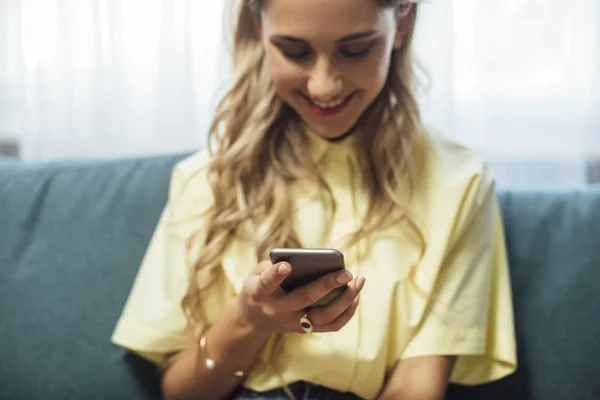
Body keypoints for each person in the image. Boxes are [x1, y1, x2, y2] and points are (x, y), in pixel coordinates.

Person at [111, 0, 517, 399]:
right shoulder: (205, 180)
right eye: (295, 51)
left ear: (403, 24)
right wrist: (249, 319)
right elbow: (180, 393)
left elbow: (417, 385)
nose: (324, 85)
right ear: (259, 31)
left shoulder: (460, 182)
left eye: (356, 50)